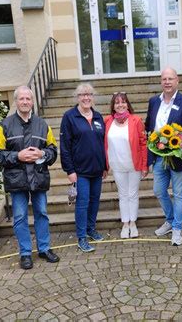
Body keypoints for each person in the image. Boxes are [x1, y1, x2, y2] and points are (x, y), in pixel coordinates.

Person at [0, 85, 59, 270]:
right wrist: (16, 156)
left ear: (32, 102)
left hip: (38, 177)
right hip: (17, 179)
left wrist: (42, 154)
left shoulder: (42, 124)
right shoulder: (5, 125)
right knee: (20, 217)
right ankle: (25, 253)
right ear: (15, 102)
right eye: (21, 99)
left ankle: (44, 249)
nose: (25, 102)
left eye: (28, 98)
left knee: (42, 214)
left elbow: (53, 150)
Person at [145, 67, 182, 246]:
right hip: (159, 156)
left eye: (170, 79)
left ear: (177, 81)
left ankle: (177, 228)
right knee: (158, 191)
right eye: (164, 79)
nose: (167, 82)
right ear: (161, 81)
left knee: (179, 194)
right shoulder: (154, 102)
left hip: (177, 156)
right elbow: (149, 127)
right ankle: (170, 220)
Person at [60, 83, 107, 253]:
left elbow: (103, 144)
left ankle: (90, 229)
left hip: (97, 169)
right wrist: (70, 170)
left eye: (89, 94)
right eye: (82, 95)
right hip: (80, 172)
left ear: (93, 97)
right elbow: (64, 147)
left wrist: (105, 166)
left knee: (94, 202)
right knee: (82, 203)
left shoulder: (98, 117)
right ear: (77, 97)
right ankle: (81, 237)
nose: (86, 98)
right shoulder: (69, 117)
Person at [104, 92, 148, 239]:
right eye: (117, 102)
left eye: (123, 102)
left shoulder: (136, 120)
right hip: (117, 165)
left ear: (128, 104)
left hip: (133, 164)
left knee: (132, 193)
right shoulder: (107, 121)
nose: (120, 105)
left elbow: (143, 143)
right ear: (113, 106)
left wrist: (144, 165)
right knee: (123, 195)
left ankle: (133, 223)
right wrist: (105, 166)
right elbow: (103, 144)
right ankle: (125, 224)